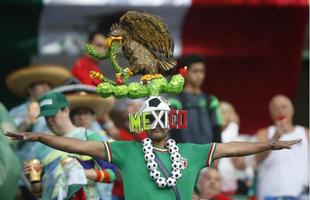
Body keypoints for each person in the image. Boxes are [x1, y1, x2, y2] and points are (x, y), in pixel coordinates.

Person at [6, 96, 302, 200]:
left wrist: (269, 144)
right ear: (143, 124)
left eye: (162, 119)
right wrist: (41, 138)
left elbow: (232, 149)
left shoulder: (192, 152)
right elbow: (79, 144)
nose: (157, 125)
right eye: (151, 120)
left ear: (170, 122)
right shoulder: (126, 151)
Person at [22, 92, 116, 200]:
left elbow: (111, 174)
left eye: (52, 115)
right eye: (46, 116)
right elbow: (39, 193)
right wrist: (34, 182)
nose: (49, 120)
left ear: (65, 110)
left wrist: (81, 174)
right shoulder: (41, 146)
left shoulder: (88, 136)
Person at [255, 94, 309, 200]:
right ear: (271, 113)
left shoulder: (306, 133)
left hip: (300, 194)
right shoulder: (264, 133)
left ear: (292, 110)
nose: (280, 110)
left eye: (284, 107)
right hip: (269, 194)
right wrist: (275, 137)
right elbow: (257, 158)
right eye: (276, 108)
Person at [169, 54, 223, 144]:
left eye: (202, 71)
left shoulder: (211, 101)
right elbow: (174, 132)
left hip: (209, 153)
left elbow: (217, 129)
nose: (199, 75)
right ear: (185, 73)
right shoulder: (175, 102)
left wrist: (217, 152)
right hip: (186, 154)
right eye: (195, 71)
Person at [219, 101, 254, 195]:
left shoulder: (243, 140)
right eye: (217, 112)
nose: (219, 115)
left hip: (236, 190)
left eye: (224, 112)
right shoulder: (207, 138)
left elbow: (249, 173)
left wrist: (233, 125)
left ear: (233, 116)